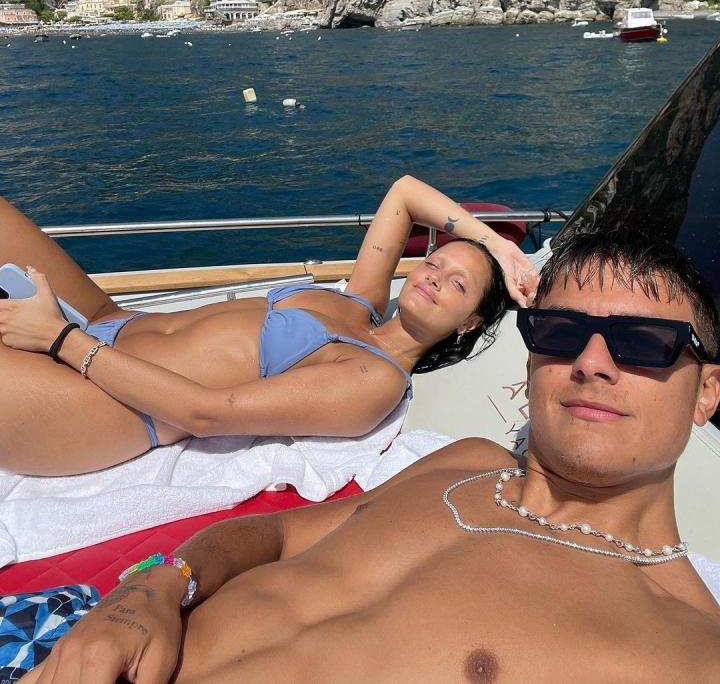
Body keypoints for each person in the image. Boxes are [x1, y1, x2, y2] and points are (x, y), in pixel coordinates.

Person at [23, 228, 720, 682]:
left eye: (643, 342)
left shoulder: (686, 650)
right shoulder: (464, 462)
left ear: (706, 392)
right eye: (562, 331)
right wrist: (153, 588)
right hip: (82, 634)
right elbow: (276, 532)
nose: (592, 362)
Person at [0, 176, 537, 475]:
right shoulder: (363, 302)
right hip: (109, 322)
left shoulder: (375, 379)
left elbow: (205, 414)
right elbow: (404, 194)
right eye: (435, 263)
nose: (435, 277)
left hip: (105, 405)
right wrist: (496, 244)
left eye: (458, 285)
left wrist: (60, 340)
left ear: (471, 321)